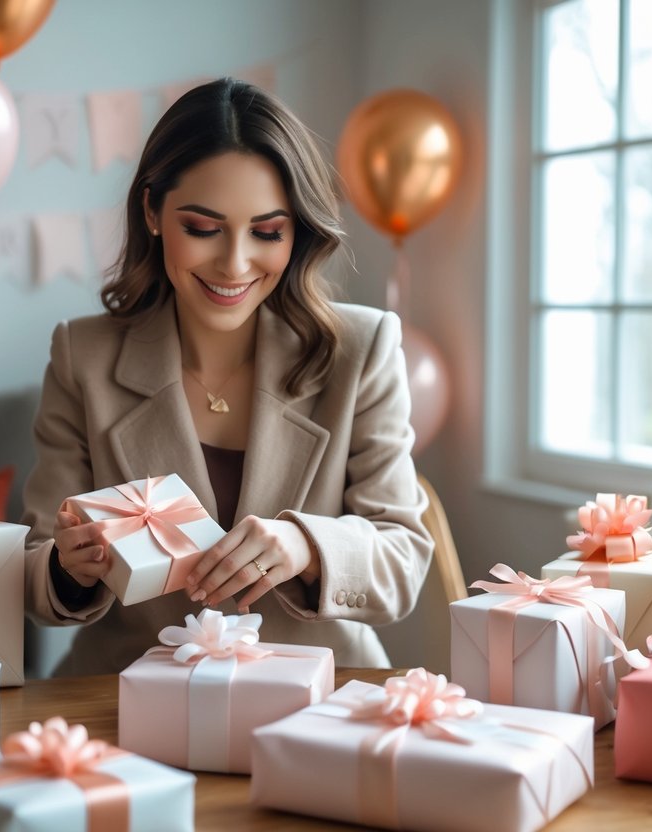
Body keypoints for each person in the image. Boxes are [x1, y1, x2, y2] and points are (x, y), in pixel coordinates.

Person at [22, 77, 433, 675]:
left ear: (297, 230)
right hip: (128, 692)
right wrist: (68, 567)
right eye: (203, 228)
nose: (235, 263)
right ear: (152, 212)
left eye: (267, 232)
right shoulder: (81, 356)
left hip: (320, 686)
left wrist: (306, 546)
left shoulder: (362, 348)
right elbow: (34, 567)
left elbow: (404, 557)